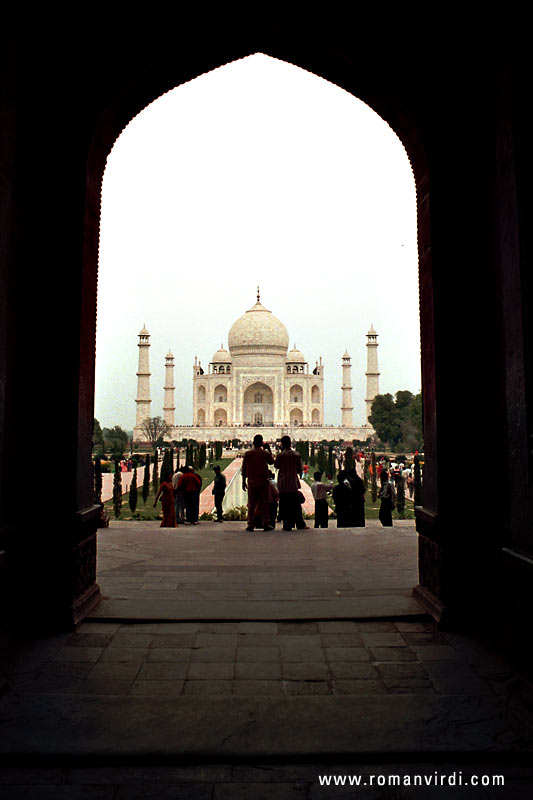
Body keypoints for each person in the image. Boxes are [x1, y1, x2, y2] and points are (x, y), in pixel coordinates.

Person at [241, 434, 274, 531]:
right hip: (263, 482)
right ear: (261, 442)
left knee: (251, 504)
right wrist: (268, 449)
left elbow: (244, 469)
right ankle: (265, 524)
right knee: (264, 504)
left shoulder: (248, 454)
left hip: (252, 481)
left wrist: (243, 481)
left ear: (253, 443)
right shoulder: (264, 453)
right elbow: (272, 462)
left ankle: (250, 524)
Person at [274, 435, 304, 531]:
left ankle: (287, 524)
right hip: (292, 483)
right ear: (290, 443)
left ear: (282, 444)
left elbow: (276, 466)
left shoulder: (280, 455)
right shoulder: (296, 455)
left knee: (284, 504)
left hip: (283, 483)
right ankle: (299, 524)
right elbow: (300, 469)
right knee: (295, 504)